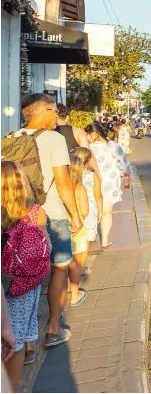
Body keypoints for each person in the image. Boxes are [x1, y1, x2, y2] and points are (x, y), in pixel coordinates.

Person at [8, 94, 80, 349]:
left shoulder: (12, 137)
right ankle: (52, 329)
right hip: (52, 214)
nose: (56, 115)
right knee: (59, 267)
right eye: (54, 110)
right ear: (46, 110)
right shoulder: (54, 138)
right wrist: (76, 215)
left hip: (18, 218)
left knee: (28, 274)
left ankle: (26, 343)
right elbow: (63, 180)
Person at [1, 161, 50, 385]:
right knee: (16, 339)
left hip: (4, 283)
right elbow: (45, 248)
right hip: (25, 283)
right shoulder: (35, 212)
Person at [86, 122, 129, 248]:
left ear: (94, 134)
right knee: (107, 212)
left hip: (92, 183)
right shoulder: (114, 146)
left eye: (87, 134)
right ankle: (104, 240)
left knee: (92, 210)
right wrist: (125, 179)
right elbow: (124, 165)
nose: (86, 137)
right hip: (110, 183)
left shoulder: (88, 148)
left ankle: (91, 235)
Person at [66, 155, 90, 307]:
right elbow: (86, 211)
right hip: (78, 230)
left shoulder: (60, 188)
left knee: (62, 265)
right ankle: (74, 295)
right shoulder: (80, 188)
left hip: (62, 229)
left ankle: (66, 287)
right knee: (76, 264)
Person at [70, 148, 100, 246]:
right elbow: (98, 195)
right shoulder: (93, 176)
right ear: (88, 161)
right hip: (89, 209)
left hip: (73, 207)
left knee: (75, 239)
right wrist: (100, 210)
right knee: (86, 240)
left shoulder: (70, 176)